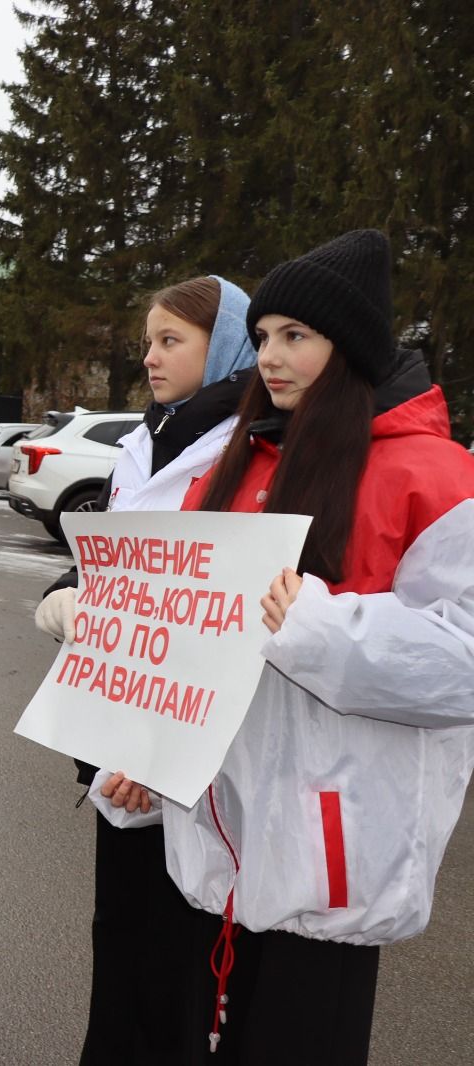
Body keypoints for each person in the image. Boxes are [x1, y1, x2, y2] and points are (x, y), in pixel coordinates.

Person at [96, 230, 474, 1065]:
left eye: (296, 336)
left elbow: (462, 664)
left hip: (326, 873)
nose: (271, 355)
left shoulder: (437, 477)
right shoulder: (228, 470)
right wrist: (149, 760)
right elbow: (185, 650)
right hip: (212, 851)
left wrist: (311, 625)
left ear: (351, 348)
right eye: (263, 336)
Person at [34, 276, 257, 1064]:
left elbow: (222, 619)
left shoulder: (252, 447)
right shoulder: (140, 443)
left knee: (179, 959)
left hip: (186, 758)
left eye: (171, 341)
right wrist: (71, 594)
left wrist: (161, 756)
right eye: (147, 342)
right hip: (116, 730)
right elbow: (116, 567)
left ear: (224, 345)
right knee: (119, 936)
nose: (151, 358)